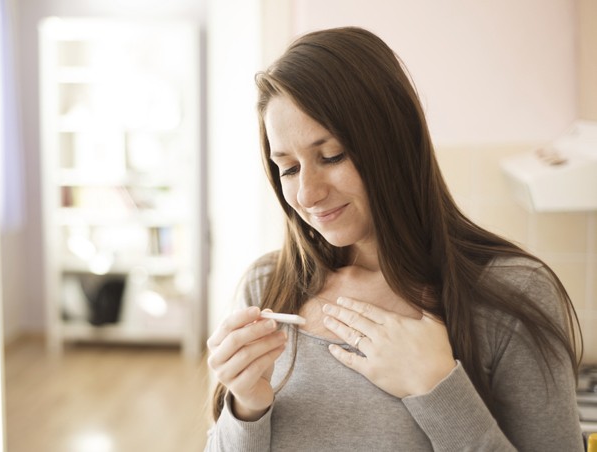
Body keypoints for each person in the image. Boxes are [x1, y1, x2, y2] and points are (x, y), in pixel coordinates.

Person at [204, 26, 583, 451]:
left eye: (331, 156)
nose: (307, 194)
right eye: (288, 168)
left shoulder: (512, 295)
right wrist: (247, 409)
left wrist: (439, 390)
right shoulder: (268, 287)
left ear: (393, 141)